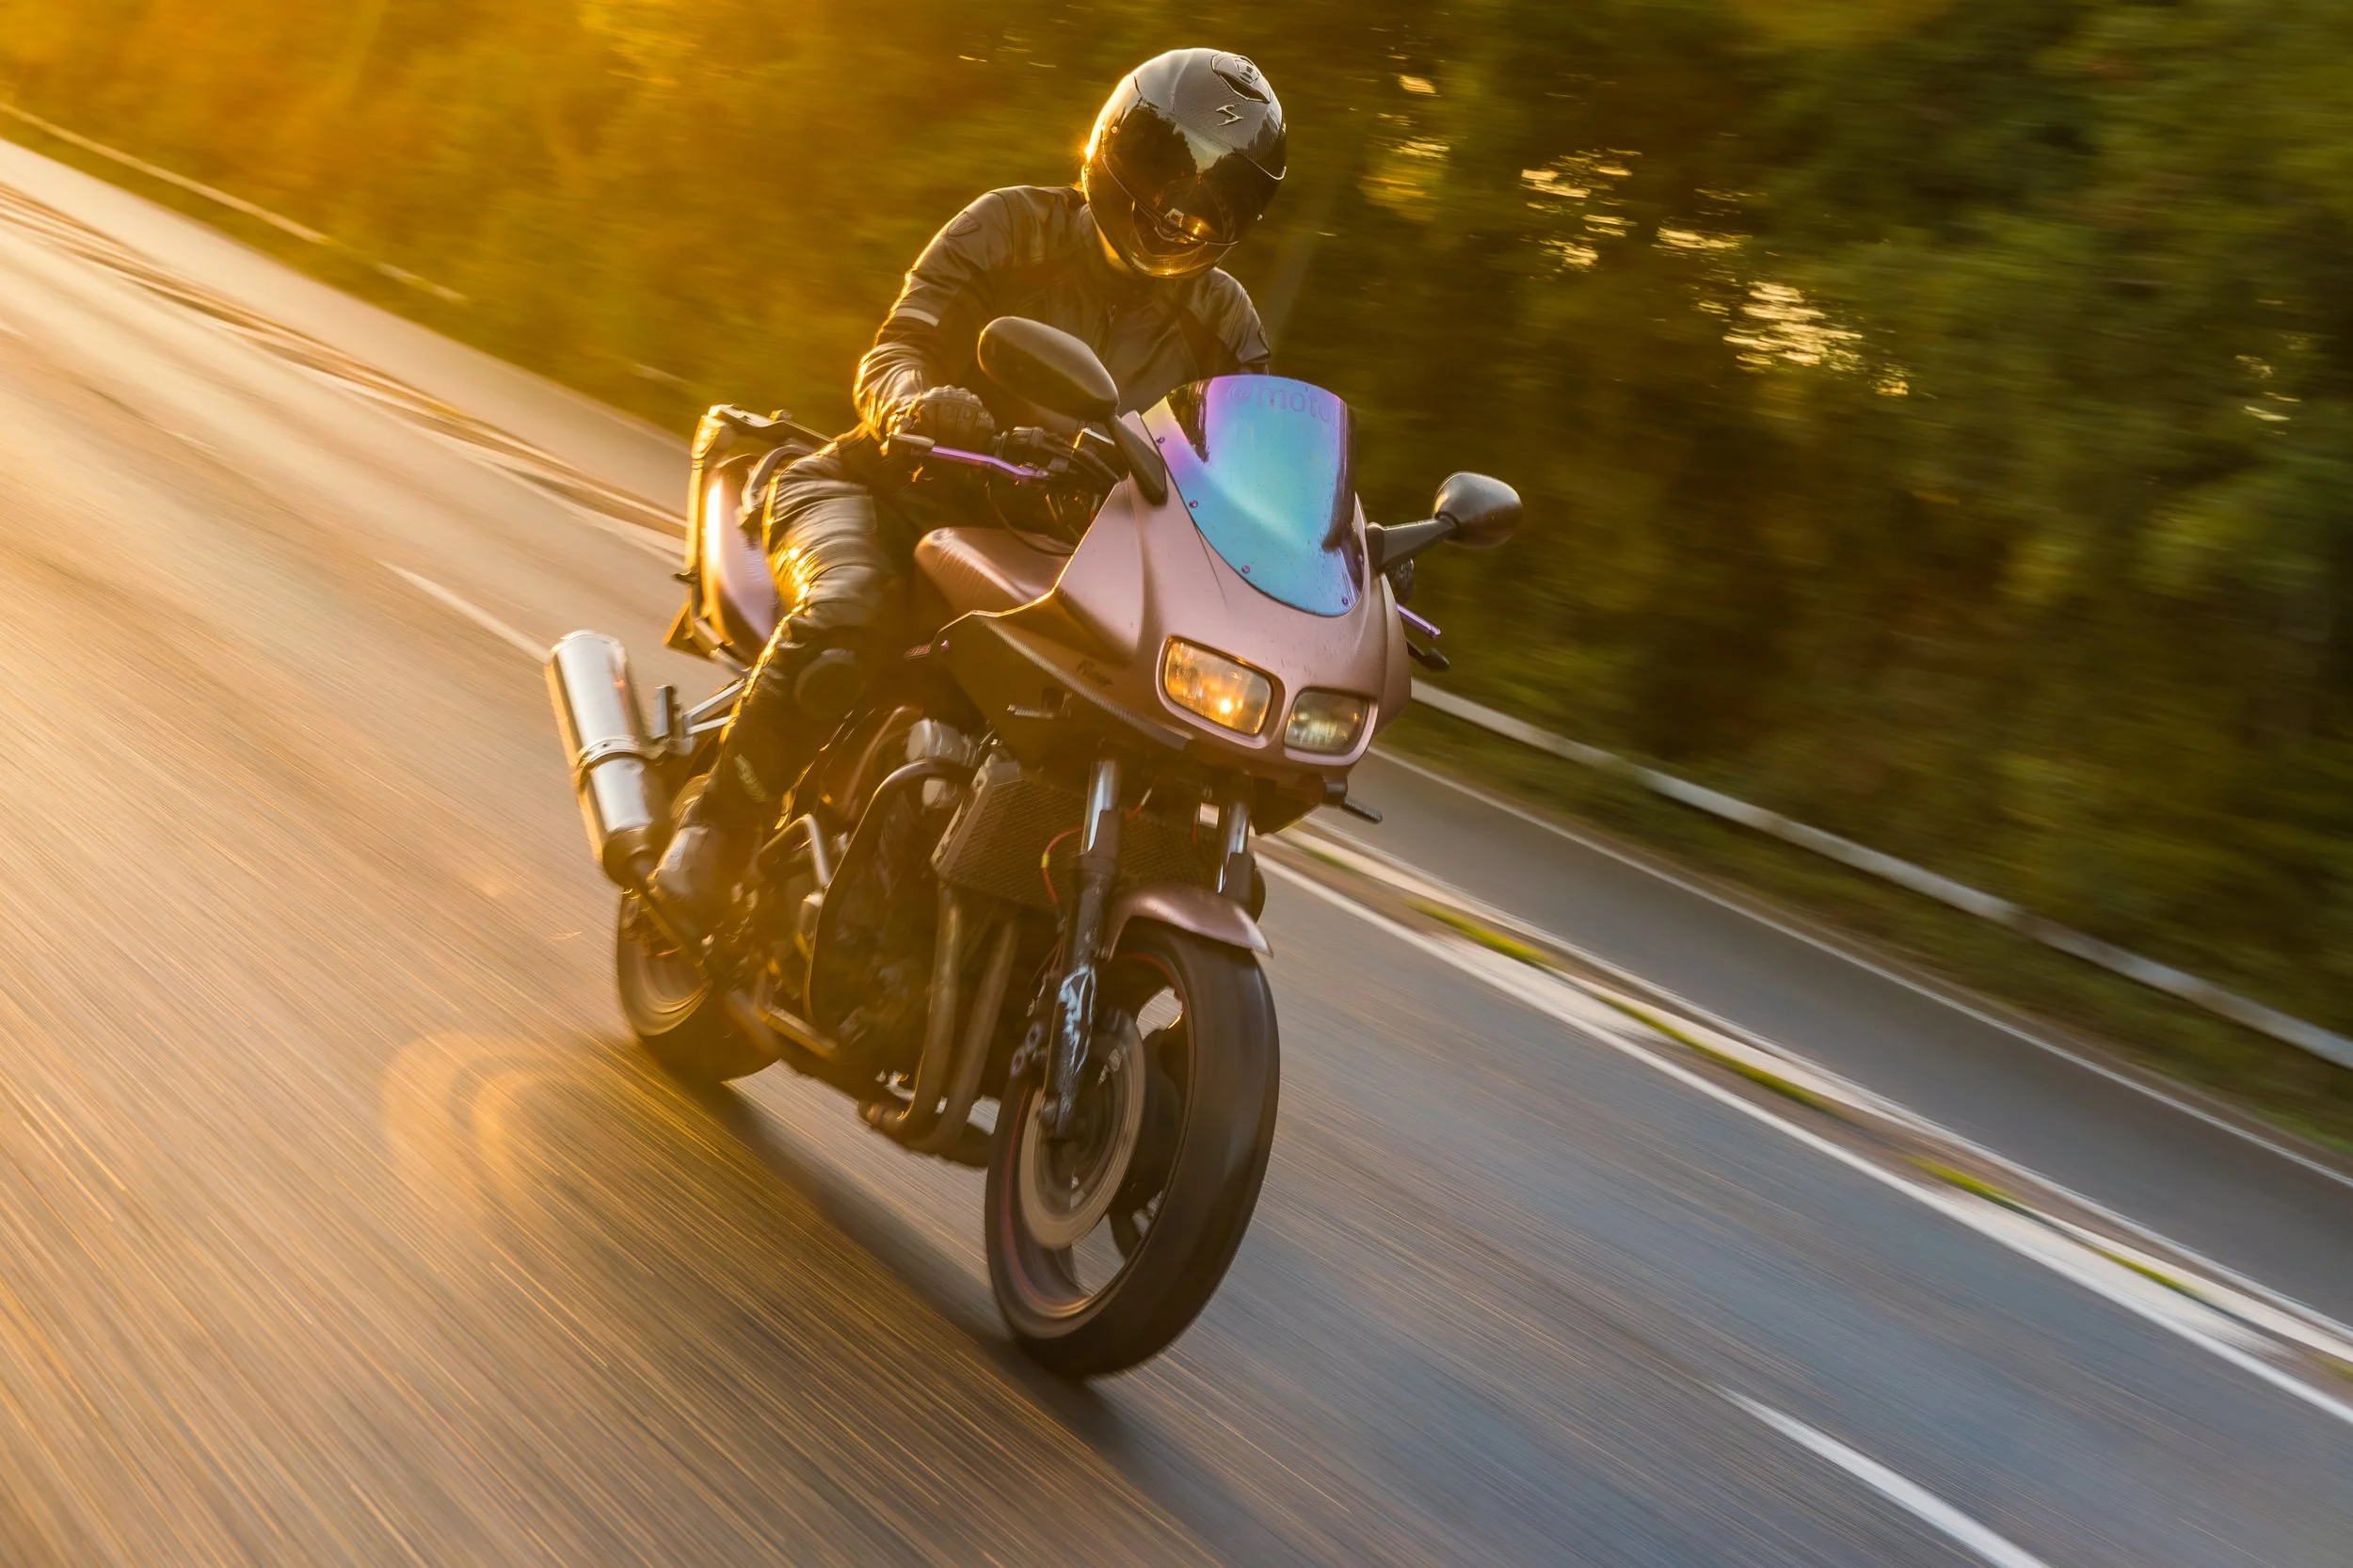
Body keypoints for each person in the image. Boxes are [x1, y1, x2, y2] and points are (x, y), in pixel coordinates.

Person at [648, 47, 1289, 938]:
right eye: (1167, 172)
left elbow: (1252, 470)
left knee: (1162, 734)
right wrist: (918, 404)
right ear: (1116, 145)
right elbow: (897, 348)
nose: (1182, 211)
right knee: (849, 615)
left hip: (1064, 565)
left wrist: (1329, 547)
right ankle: (714, 837)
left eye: (1217, 198)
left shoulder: (1226, 321)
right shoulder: (1011, 226)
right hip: (894, 496)